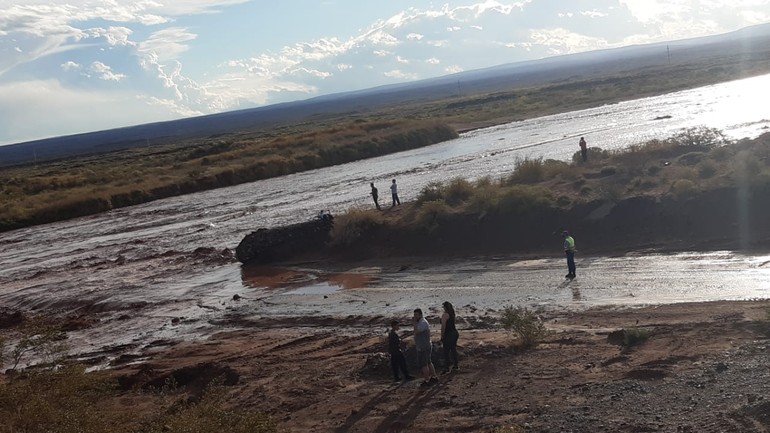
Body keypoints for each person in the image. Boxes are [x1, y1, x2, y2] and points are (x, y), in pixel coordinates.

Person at [413, 308, 438, 387]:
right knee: (428, 362)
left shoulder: (423, 323)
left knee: (424, 364)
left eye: (416, 315)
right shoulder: (420, 322)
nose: (415, 317)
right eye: (414, 315)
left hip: (424, 346)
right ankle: (434, 377)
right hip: (423, 345)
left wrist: (414, 323)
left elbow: (416, 331)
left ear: (420, 315)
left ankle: (427, 380)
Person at [440, 301, 459, 374]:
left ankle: (447, 368)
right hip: (454, 333)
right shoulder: (452, 314)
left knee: (446, 352)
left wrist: (442, 336)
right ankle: (456, 365)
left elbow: (443, 327)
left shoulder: (445, 315)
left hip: (448, 334)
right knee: (453, 349)